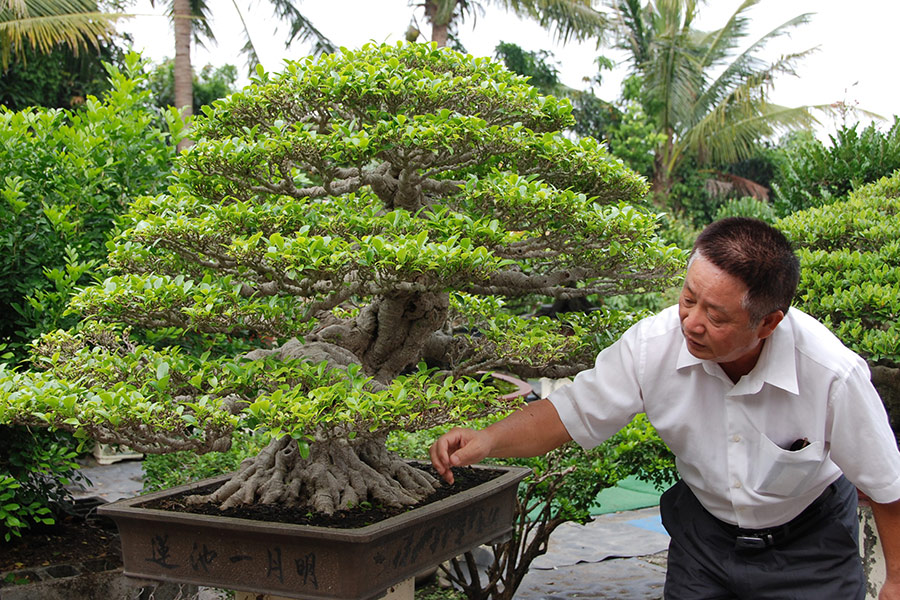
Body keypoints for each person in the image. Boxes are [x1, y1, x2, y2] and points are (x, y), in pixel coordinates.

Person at [430, 217, 900, 599]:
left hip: (810, 547)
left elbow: (887, 485)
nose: (692, 323)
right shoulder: (652, 346)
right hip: (705, 540)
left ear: (769, 322)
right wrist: (487, 439)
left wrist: (896, 581)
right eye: (688, 299)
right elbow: (572, 413)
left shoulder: (831, 374)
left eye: (715, 315)